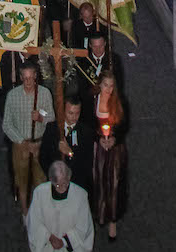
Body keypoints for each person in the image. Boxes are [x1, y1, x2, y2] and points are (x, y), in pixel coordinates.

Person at [2, 60, 54, 216]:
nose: (28, 82)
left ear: (36, 76)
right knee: (22, 180)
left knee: (41, 180)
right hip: (21, 145)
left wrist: (40, 117)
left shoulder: (44, 93)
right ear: (20, 77)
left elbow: (50, 116)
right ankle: (25, 212)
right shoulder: (12, 96)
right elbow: (7, 124)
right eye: (25, 78)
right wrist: (22, 142)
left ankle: (39, 212)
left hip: (39, 143)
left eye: (31, 78)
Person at [90, 68, 127, 241]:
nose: (108, 89)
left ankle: (113, 219)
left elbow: (124, 126)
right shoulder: (93, 100)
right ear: (100, 84)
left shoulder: (119, 102)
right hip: (98, 148)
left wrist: (114, 139)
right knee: (98, 180)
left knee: (114, 182)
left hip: (114, 149)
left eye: (111, 86)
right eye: (105, 85)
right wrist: (99, 138)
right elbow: (88, 124)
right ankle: (100, 213)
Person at [26, 160, 94, 252]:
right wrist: (49, 237)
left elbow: (83, 226)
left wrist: (64, 241)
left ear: (69, 176)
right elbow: (34, 222)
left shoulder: (80, 195)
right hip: (48, 246)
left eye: (65, 183)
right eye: (58, 185)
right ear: (51, 181)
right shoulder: (39, 193)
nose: (63, 188)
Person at [39, 97, 94, 194]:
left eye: (77, 113)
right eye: (70, 113)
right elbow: (43, 157)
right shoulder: (51, 128)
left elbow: (87, 163)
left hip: (76, 184)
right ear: (63, 111)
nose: (74, 117)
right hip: (54, 183)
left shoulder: (86, 132)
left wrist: (70, 153)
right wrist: (53, 177)